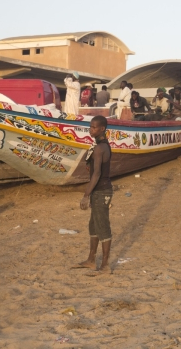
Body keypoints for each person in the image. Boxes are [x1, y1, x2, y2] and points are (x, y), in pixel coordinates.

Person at [76, 116, 113, 273]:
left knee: (102, 227)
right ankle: (91, 259)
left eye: (94, 127)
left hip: (101, 190)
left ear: (102, 129)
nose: (91, 130)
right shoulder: (99, 146)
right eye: (90, 127)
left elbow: (97, 174)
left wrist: (86, 194)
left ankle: (105, 264)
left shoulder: (99, 148)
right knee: (93, 225)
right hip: (98, 190)